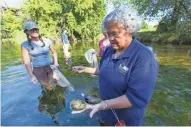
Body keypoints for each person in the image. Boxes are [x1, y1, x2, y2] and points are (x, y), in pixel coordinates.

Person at [72, 4, 158, 126]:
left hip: (125, 120)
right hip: (105, 112)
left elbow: (135, 97)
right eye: (107, 34)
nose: (110, 38)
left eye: (114, 34)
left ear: (129, 30)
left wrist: (103, 105)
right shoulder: (108, 50)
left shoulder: (143, 57)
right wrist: (86, 69)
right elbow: (106, 72)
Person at [21, 20, 59, 91]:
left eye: (36, 29)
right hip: (38, 69)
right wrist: (31, 76)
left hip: (50, 67)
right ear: (27, 32)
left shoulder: (47, 41)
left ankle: (57, 95)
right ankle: (50, 95)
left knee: (54, 83)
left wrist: (56, 64)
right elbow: (27, 62)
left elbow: (54, 53)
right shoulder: (24, 45)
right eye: (31, 30)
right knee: (47, 86)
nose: (34, 31)